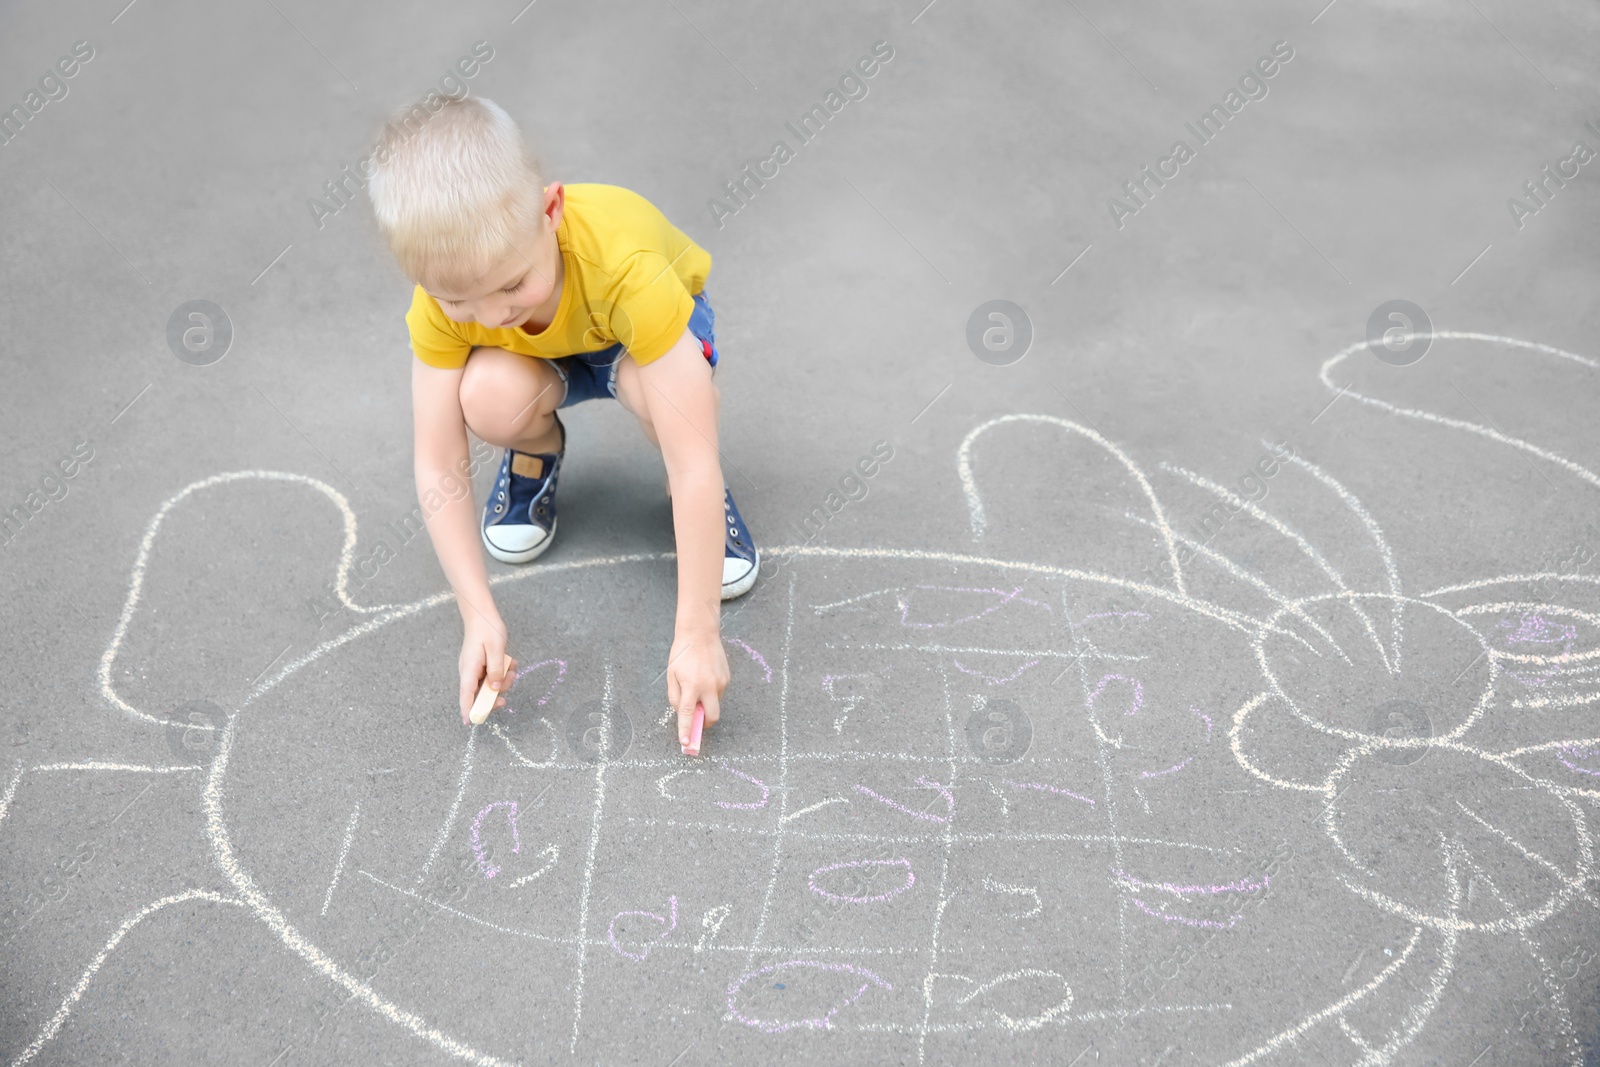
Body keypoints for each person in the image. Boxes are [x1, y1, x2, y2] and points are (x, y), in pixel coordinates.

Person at [366, 94, 757, 754]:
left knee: (680, 419)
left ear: (551, 210)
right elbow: (438, 461)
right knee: (485, 393)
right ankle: (535, 452)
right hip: (539, 361)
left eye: (512, 285)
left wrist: (698, 633)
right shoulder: (450, 295)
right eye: (461, 301)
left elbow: (693, 456)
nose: (491, 316)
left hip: (644, 338)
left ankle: (704, 514)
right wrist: (477, 614)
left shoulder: (625, 263)